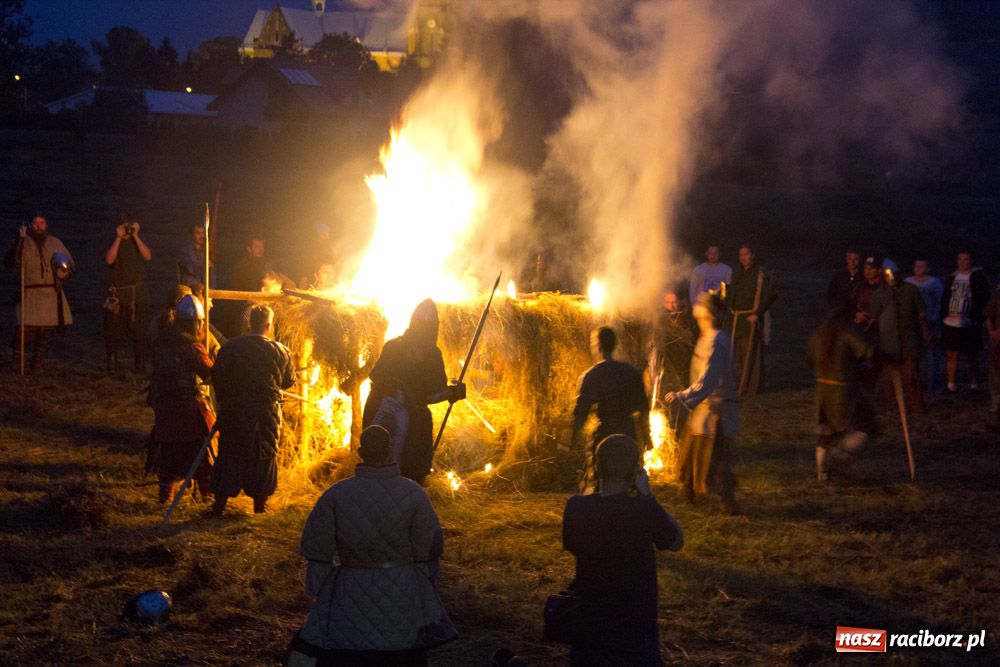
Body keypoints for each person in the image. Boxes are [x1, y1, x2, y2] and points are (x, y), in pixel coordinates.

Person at [289, 425, 457, 666]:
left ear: (360, 452)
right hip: (402, 589)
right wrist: (424, 579)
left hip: (350, 589)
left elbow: (317, 546)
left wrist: (320, 588)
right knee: (403, 652)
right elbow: (428, 545)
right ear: (390, 450)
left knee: (350, 653)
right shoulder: (413, 494)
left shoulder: (336, 494)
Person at [562, 434, 683, 666]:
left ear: (597, 466)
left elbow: (573, 546)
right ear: (635, 471)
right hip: (635, 623)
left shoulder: (576, 507)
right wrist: (648, 496)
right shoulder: (643, 510)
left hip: (590, 620)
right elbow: (676, 541)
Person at [361, 299, 466, 485]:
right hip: (412, 422)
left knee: (377, 467)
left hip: (378, 413)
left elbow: (375, 376)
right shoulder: (431, 353)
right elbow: (433, 395)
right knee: (410, 472)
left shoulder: (392, 345)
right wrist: (453, 393)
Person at [209, 304, 295, 516]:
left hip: (235, 411)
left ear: (249, 323)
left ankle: (219, 506)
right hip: (267, 414)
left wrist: (224, 401)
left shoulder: (230, 347)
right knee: (263, 455)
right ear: (268, 325)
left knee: (230, 453)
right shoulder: (281, 351)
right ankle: (259, 507)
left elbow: (218, 376)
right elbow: (288, 382)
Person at [665, 290, 740, 513]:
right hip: (703, 407)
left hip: (717, 409)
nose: (694, 305)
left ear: (707, 312)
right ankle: (687, 490)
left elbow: (708, 378)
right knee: (690, 450)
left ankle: (729, 503)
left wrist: (683, 395)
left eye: (699, 303)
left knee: (716, 459)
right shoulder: (706, 337)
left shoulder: (717, 341)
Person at [147, 294, 215, 503]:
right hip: (188, 407)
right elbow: (210, 374)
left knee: (168, 454)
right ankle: (208, 498)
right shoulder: (191, 347)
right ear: (197, 323)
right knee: (204, 453)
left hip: (164, 407)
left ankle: (164, 498)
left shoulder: (161, 342)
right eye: (201, 323)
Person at [571, 326, 651, 488]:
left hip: (605, 434)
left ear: (597, 346)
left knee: (601, 479)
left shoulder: (592, 375)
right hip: (628, 432)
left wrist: (571, 440)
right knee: (629, 480)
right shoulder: (631, 373)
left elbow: (581, 412)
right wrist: (647, 437)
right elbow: (643, 409)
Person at [807, 299, 876, 481]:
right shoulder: (848, 332)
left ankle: (822, 472)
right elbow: (869, 352)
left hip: (822, 389)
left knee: (826, 431)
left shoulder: (819, 333)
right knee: (866, 425)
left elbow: (809, 359)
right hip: (843, 391)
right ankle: (840, 456)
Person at [4, 214, 74, 373]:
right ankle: (17, 364)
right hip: (30, 293)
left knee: (45, 333)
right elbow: (10, 262)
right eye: (35, 223)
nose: (38, 226)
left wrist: (64, 271)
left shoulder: (55, 242)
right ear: (30, 225)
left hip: (50, 294)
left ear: (46, 225)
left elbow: (67, 264)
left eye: (41, 222)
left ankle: (37, 366)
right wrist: (19, 240)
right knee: (23, 331)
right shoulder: (23, 242)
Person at [869, 259, 929, 414]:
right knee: (889, 378)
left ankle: (916, 405)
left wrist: (925, 331)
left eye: (892, 274)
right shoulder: (878, 295)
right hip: (888, 342)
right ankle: (892, 405)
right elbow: (874, 318)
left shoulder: (911, 290)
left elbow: (921, 313)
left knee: (911, 375)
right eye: (887, 275)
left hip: (909, 339)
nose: (890, 278)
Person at [103, 214, 152, 373]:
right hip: (118, 295)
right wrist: (118, 238)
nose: (126, 230)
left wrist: (136, 236)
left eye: (128, 226)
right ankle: (112, 365)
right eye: (124, 227)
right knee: (113, 332)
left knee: (140, 333)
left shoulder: (138, 240)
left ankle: (139, 367)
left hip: (138, 295)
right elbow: (109, 260)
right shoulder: (113, 240)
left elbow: (148, 256)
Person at [727, 244, 775, 396]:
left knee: (751, 353)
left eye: (746, 254)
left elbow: (769, 295)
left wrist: (757, 313)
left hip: (750, 319)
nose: (743, 257)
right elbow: (731, 294)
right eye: (741, 255)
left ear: (752, 255)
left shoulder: (760, 274)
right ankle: (739, 385)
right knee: (738, 355)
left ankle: (752, 389)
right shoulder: (737, 273)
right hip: (736, 319)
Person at [940, 252, 990, 393]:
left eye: (965, 259)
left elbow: (984, 298)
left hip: (970, 321)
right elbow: (946, 296)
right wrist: (944, 314)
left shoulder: (978, 277)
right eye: (960, 259)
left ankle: (973, 385)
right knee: (951, 353)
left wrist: (978, 317)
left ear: (971, 260)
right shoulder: (952, 277)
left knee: (971, 353)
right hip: (951, 320)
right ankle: (951, 385)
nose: (962, 262)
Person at [647, 290, 697, 398]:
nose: (671, 306)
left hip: (682, 366)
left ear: (679, 302)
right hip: (665, 369)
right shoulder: (659, 321)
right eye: (668, 302)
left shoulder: (686, 321)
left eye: (674, 302)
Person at [905, 259, 944, 394]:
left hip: (930, 322)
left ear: (927, 268)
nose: (919, 268)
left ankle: (933, 384)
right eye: (917, 265)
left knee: (931, 355)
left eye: (922, 266)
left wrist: (935, 316)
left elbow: (940, 301)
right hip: (912, 323)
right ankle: (916, 384)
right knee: (914, 355)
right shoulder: (908, 282)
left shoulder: (934, 283)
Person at [222, 235, 273, 337]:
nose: (261, 249)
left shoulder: (266, 265)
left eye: (262, 246)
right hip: (244, 307)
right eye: (257, 246)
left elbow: (271, 282)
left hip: (263, 307)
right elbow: (237, 288)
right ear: (249, 248)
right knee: (244, 332)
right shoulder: (241, 266)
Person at [176, 222, 214, 291]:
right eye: (198, 233)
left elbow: (211, 276)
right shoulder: (185, 250)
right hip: (189, 290)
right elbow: (190, 268)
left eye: (203, 233)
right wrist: (204, 265)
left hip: (204, 291)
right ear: (192, 234)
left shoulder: (205, 250)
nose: (202, 236)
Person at [985, 283, 1000, 426]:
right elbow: (988, 315)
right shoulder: (997, 295)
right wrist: (992, 332)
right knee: (995, 374)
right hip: (997, 342)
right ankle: (995, 405)